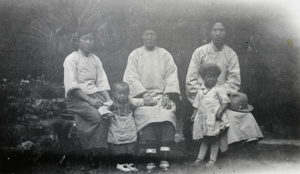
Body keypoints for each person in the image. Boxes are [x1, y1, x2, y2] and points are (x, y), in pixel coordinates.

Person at [186, 21, 262, 152]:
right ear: (210, 32)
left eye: (221, 30)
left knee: (237, 115)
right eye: (215, 30)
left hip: (223, 97)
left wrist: (219, 94)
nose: (218, 33)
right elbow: (191, 80)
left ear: (226, 33)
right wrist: (205, 96)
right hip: (202, 97)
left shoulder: (230, 54)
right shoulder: (199, 52)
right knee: (210, 115)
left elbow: (234, 80)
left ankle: (241, 142)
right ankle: (217, 148)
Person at [123, 30, 181, 172]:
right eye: (146, 34)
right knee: (146, 115)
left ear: (157, 36)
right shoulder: (135, 55)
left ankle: (164, 157)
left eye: (152, 34)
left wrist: (167, 95)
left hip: (162, 96)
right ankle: (151, 158)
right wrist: (144, 94)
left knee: (167, 113)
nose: (149, 37)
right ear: (142, 36)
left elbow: (171, 75)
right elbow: (131, 77)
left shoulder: (164, 54)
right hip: (142, 98)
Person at [63, 26, 112, 168]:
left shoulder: (96, 59)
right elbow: (72, 86)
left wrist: (108, 100)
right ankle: (91, 152)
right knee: (97, 117)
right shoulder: (71, 59)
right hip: (77, 98)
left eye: (91, 39)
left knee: (110, 113)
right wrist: (90, 100)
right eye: (85, 39)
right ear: (77, 41)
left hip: (94, 95)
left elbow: (102, 81)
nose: (88, 42)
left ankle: (106, 149)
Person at [190, 63, 230, 168]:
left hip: (214, 118)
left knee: (213, 139)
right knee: (205, 139)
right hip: (203, 119)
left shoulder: (219, 89)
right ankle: (199, 158)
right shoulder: (201, 90)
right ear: (204, 78)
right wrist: (194, 114)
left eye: (214, 77)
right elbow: (196, 104)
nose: (211, 79)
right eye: (208, 77)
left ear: (217, 78)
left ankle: (212, 160)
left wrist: (221, 111)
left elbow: (225, 102)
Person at [98, 82, 143, 172]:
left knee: (130, 145)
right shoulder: (111, 103)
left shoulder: (130, 101)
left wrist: (149, 101)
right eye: (120, 93)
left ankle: (130, 162)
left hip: (129, 126)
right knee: (118, 146)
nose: (122, 96)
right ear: (113, 94)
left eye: (125, 93)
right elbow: (101, 108)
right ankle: (120, 163)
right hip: (116, 126)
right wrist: (108, 114)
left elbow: (140, 101)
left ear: (128, 94)